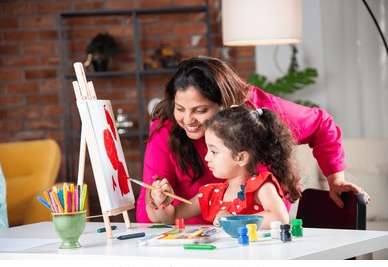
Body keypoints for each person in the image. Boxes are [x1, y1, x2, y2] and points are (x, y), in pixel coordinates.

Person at [136, 56, 370, 224]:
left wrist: (335, 179)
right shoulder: (168, 130)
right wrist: (157, 201)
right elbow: (156, 212)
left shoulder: (259, 115)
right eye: (180, 108)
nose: (188, 120)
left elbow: (321, 125)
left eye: (200, 110)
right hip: (201, 239)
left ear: (226, 105)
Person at [147, 105, 301, 229]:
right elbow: (173, 217)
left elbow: (280, 218)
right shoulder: (212, 194)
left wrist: (233, 220)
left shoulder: (261, 186)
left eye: (214, 151)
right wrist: (162, 201)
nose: (207, 157)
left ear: (240, 158)